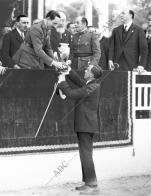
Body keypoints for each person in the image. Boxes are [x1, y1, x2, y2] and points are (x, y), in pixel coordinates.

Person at [57, 64, 102, 195]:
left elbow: (71, 93)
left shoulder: (92, 87)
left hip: (86, 125)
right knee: (85, 154)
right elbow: (79, 81)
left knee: (86, 154)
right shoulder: (91, 84)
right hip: (86, 125)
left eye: (87, 70)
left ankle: (92, 184)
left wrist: (62, 81)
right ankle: (88, 182)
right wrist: (69, 71)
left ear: (92, 75)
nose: (85, 70)